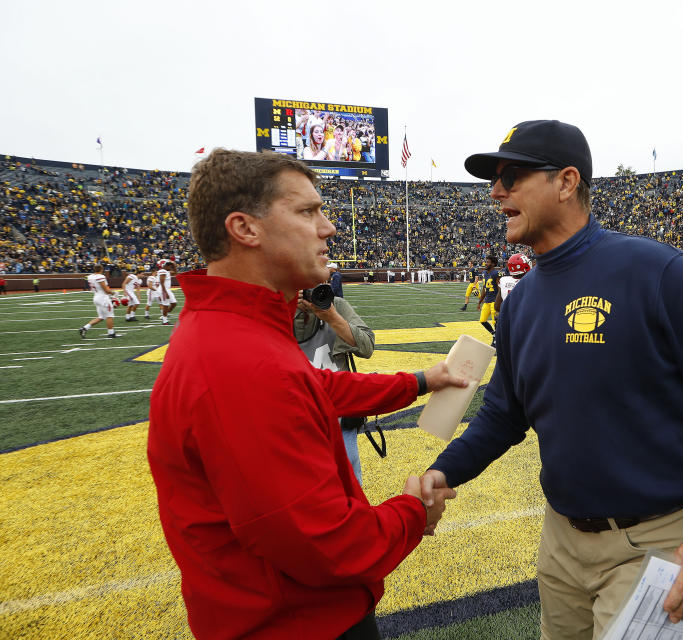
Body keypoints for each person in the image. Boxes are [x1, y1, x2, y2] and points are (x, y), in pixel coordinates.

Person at [419, 120, 683, 639]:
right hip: (562, 541)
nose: (496, 191)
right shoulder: (520, 301)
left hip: (663, 541)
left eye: (512, 175)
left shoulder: (655, 270)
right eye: (496, 178)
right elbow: (505, 415)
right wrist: (444, 472)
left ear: (566, 182)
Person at [147, 148, 467, 640]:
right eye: (307, 211)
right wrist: (413, 512)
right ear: (245, 229)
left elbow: (320, 388)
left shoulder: (235, 333)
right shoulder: (239, 361)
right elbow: (327, 545)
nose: (328, 227)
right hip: (298, 624)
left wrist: (420, 382)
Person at [294, 283, 374, 484]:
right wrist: (288, 310)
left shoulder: (335, 305)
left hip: (338, 414)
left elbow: (367, 347)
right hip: (295, 415)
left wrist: (332, 316)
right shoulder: (277, 306)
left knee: (349, 484)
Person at [78, 264, 119, 339]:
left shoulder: (90, 276)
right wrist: (114, 293)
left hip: (96, 296)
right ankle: (111, 333)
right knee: (110, 316)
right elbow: (106, 290)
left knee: (101, 317)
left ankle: (85, 328)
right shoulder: (100, 277)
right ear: (101, 269)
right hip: (103, 298)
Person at [477, 254, 499, 344]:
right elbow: (484, 288)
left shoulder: (496, 273)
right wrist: (480, 301)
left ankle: (496, 340)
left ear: (493, 264)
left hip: (495, 301)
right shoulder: (485, 273)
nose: (486, 263)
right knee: (482, 320)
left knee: (495, 322)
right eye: (486, 261)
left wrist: (499, 301)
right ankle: (494, 334)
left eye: (488, 262)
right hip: (487, 301)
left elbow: (500, 288)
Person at [156, 258, 178, 325]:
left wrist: (174, 265)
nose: (170, 267)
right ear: (163, 265)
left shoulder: (166, 271)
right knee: (165, 305)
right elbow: (162, 283)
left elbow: (175, 273)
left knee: (174, 303)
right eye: (168, 265)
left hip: (167, 289)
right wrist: (165, 292)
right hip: (164, 290)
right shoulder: (162, 271)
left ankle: (164, 315)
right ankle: (165, 321)